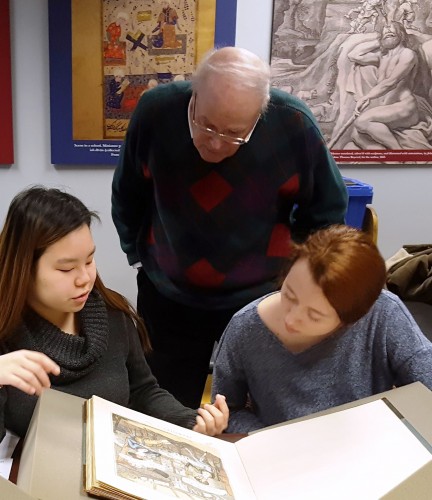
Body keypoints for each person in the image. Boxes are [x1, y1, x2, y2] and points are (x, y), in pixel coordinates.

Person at [111, 46, 348, 409]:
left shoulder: (292, 123)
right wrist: (138, 255)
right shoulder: (156, 111)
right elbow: (128, 191)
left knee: (261, 403)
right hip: (168, 296)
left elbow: (328, 207)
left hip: (260, 299)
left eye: (235, 133)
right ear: (195, 93)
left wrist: (294, 274)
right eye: (206, 125)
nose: (217, 143)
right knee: (165, 407)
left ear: (260, 112)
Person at [0, 186, 228, 443]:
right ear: (24, 268)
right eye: (66, 269)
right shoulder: (6, 332)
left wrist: (191, 420)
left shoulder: (112, 315)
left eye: (89, 261)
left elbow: (142, 391)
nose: (85, 279)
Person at [211, 225, 432, 433]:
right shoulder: (245, 326)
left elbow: (425, 385)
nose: (290, 319)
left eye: (314, 315)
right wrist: (272, 438)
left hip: (362, 446)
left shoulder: (384, 312)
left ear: (352, 318)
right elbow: (229, 410)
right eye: (289, 294)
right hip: (277, 452)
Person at [348, 21, 421, 149]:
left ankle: (398, 152)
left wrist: (366, 98)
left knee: (362, 122)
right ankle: (391, 160)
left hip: (405, 107)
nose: (387, 33)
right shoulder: (382, 57)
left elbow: (391, 82)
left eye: (392, 33)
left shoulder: (407, 54)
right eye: (385, 33)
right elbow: (353, 55)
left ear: (402, 35)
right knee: (356, 135)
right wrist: (379, 41)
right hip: (388, 109)